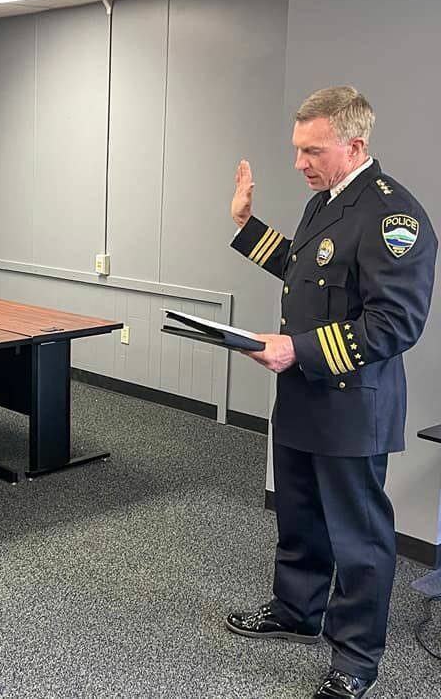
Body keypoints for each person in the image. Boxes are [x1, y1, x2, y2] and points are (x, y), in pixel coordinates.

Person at [225, 86, 437, 699]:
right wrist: (246, 227)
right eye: (297, 150)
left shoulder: (395, 216)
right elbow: (306, 268)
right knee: (300, 518)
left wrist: (297, 350)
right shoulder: (328, 200)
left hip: (352, 401)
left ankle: (356, 658)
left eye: (311, 151)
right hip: (303, 395)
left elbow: (394, 325)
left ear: (355, 145)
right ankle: (296, 612)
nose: (299, 163)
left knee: (359, 537)